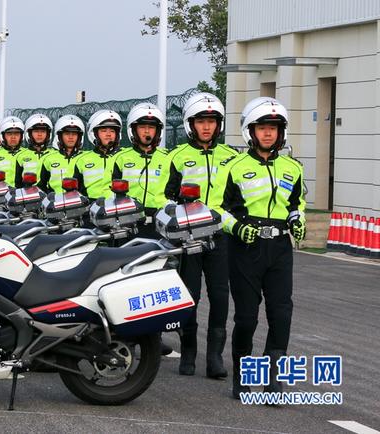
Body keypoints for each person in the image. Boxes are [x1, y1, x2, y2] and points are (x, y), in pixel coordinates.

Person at [216, 97, 305, 398]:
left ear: (282, 133)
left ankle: (273, 378)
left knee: (281, 313)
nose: (268, 134)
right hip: (245, 248)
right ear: (249, 131)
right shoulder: (234, 167)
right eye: (262, 128)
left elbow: (297, 203)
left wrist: (298, 217)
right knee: (246, 317)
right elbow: (218, 209)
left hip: (279, 247)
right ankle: (243, 377)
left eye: (274, 128)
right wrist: (237, 228)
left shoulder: (293, 168)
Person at [163, 92, 239, 378]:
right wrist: (178, 212)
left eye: (211, 121)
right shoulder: (178, 157)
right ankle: (190, 350)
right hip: (189, 237)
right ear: (190, 124)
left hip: (220, 236)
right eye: (200, 122)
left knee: (220, 295)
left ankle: (215, 357)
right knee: (190, 294)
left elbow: (237, 198)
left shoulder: (231, 158)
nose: (206, 127)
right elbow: (163, 195)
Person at [112, 103, 170, 237]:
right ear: (133, 129)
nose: (147, 131)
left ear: (158, 131)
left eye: (151, 127)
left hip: (159, 224)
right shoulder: (120, 158)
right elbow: (109, 192)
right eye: (142, 127)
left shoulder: (168, 158)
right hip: (128, 223)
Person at [74, 110, 123, 200]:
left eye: (112, 131)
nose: (108, 134)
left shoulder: (123, 157)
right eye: (104, 131)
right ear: (95, 134)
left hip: (121, 207)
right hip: (89, 209)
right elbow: (75, 191)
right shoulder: (81, 160)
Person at [38, 115, 85, 194]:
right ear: (60, 136)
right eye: (67, 134)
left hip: (82, 203)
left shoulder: (86, 158)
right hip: (55, 203)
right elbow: (41, 185)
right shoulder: (48, 159)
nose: (71, 137)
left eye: (74, 134)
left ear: (79, 137)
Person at [0, 116, 27, 186]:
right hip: (0, 194)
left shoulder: (27, 154)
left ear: (21, 136)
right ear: (3, 136)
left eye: (16, 134)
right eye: (9, 134)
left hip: (24, 194)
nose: (13, 137)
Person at [15, 114, 55, 187]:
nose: (39, 134)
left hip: (51, 196)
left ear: (48, 134)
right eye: (36, 131)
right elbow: (17, 183)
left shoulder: (55, 155)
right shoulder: (20, 155)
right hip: (27, 195)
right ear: (29, 133)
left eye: (43, 131)